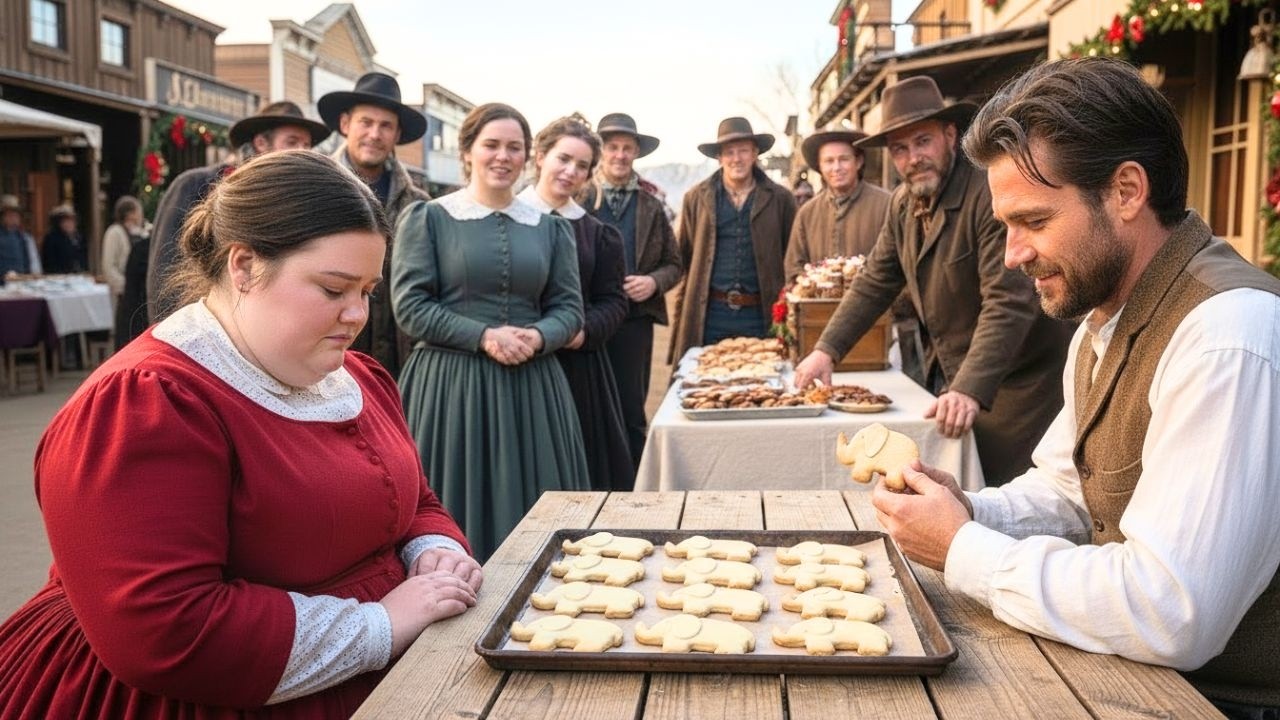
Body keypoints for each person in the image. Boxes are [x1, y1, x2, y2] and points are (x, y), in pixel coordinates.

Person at [0, 150, 482, 717]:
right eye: (334, 290)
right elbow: (167, 627)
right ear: (245, 266)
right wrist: (383, 623)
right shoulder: (147, 403)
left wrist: (434, 550)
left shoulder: (359, 377)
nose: (358, 314)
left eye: (367, 291)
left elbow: (413, 497)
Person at [869, 58, 1280, 717]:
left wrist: (962, 549)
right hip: (1141, 680)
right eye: (1007, 225)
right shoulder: (1101, 320)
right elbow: (1066, 490)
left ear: (1126, 192)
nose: (1013, 253)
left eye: (1033, 221)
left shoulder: (1228, 336)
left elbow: (1173, 610)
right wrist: (970, 510)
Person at [793, 76, 1073, 486]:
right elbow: (875, 281)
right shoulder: (903, 204)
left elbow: (1008, 300)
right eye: (900, 149)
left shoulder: (985, 193)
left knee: (1016, 495)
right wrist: (827, 350)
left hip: (1019, 384)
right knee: (966, 492)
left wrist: (969, 388)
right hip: (957, 376)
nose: (913, 158)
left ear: (949, 135)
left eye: (922, 141)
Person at [392, 103, 588, 562]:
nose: (503, 156)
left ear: (527, 156)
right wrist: (483, 336)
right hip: (452, 389)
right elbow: (410, 306)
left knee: (543, 517)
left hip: (533, 388)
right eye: (491, 145)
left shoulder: (551, 228)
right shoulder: (429, 218)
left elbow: (569, 309)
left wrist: (538, 336)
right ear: (467, 152)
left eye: (514, 147)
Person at [518, 115, 631, 492]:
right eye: (563, 159)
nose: (571, 171)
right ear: (540, 156)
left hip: (578, 368)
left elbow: (613, 301)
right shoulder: (505, 220)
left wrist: (582, 333)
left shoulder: (598, 234)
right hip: (515, 364)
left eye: (582, 166)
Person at [147, 100, 330, 322]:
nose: (302, 152)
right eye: (292, 142)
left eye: (306, 145)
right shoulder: (196, 185)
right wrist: (174, 333)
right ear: (261, 143)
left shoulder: (300, 203)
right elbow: (165, 273)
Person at [580, 112, 682, 471]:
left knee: (631, 411)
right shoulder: (578, 198)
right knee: (587, 408)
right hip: (586, 320)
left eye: (627, 148)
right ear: (600, 152)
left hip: (634, 323)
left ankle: (633, 484)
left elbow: (674, 263)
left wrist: (653, 282)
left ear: (636, 153)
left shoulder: (652, 205)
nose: (620, 155)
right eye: (612, 147)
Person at [319, 72, 430, 379]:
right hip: (328, 347)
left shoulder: (418, 205)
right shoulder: (315, 188)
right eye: (365, 122)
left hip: (399, 359)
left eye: (386, 126)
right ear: (345, 124)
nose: (375, 134)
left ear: (397, 134)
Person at [669, 116, 797, 363]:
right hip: (711, 314)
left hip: (762, 313)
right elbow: (682, 256)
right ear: (719, 157)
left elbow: (792, 256)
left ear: (755, 153)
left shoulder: (781, 199)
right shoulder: (696, 198)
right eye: (729, 152)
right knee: (706, 378)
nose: (736, 158)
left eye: (743, 151)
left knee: (764, 379)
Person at [784, 128, 891, 281]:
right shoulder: (807, 213)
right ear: (820, 166)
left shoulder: (886, 204)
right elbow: (794, 267)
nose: (836, 168)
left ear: (858, 161)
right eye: (829, 161)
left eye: (844, 159)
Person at [102, 195, 145, 307]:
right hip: (122, 294)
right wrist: (126, 286)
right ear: (130, 214)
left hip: (139, 293)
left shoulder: (140, 233)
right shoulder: (114, 232)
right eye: (138, 212)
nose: (141, 216)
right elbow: (108, 267)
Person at [0, 194, 41, 277]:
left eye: (16, 216)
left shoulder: (22, 237)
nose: (14, 219)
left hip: (20, 279)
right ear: (3, 217)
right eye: (10, 215)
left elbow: (26, 260)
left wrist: (28, 275)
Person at [41, 204, 86, 274]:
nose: (69, 223)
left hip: (78, 275)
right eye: (65, 221)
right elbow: (49, 263)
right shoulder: (52, 239)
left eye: (71, 220)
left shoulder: (79, 238)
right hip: (59, 276)